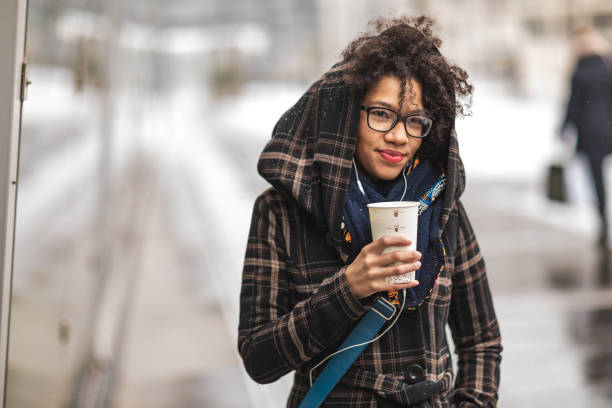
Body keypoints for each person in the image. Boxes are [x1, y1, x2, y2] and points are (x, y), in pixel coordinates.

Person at [238, 16, 502, 407]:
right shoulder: (281, 211)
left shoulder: (441, 206)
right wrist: (348, 290)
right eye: (380, 114)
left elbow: (482, 341)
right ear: (348, 115)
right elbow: (259, 359)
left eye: (415, 121)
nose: (398, 135)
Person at [561, 25, 612, 246]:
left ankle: (603, 223)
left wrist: (563, 128)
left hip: (590, 134)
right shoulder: (608, 68)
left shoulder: (579, 72)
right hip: (609, 129)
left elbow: (573, 106)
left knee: (597, 180)